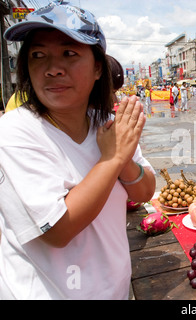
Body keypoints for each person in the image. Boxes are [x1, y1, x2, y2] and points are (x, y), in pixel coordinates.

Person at [0, 2, 156, 299]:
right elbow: (58, 230)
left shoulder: (107, 124)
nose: (52, 69)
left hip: (115, 290)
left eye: (69, 54)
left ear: (98, 67)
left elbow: (145, 191)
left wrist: (123, 161)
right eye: (38, 55)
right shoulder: (15, 132)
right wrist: (113, 159)